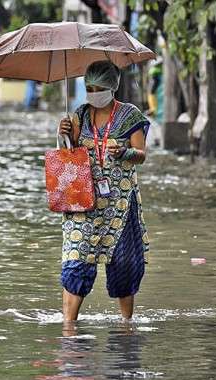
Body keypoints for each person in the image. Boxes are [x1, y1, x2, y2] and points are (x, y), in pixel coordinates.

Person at [57, 61, 151, 325]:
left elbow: (141, 156)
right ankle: (69, 327)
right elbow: (68, 155)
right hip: (83, 202)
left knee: (125, 264)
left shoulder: (130, 115)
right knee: (77, 260)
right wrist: (62, 135)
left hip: (119, 205)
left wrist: (124, 153)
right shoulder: (79, 115)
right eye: (89, 87)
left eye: (99, 88)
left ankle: (126, 324)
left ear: (112, 87)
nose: (94, 92)